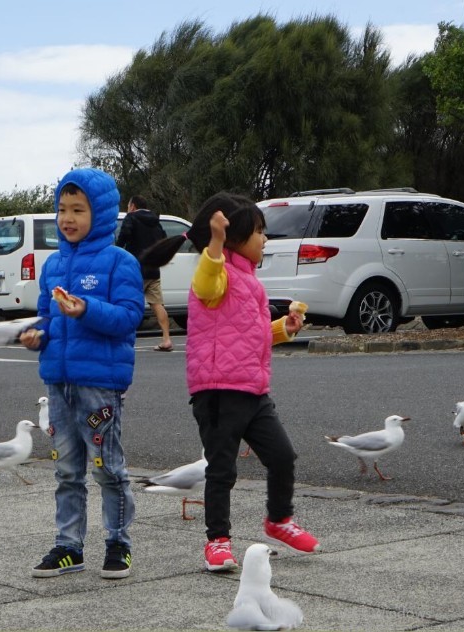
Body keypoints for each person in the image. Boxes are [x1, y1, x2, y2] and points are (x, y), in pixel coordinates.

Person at [139, 192, 318, 572]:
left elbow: (248, 336)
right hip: (218, 392)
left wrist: (282, 329)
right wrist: (216, 243)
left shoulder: (250, 283)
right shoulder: (214, 277)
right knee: (222, 470)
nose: (265, 239)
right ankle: (217, 541)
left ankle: (279, 520)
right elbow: (207, 279)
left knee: (283, 456)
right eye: (259, 232)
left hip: (253, 390)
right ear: (235, 237)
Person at [18, 168, 145, 580]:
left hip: (100, 388)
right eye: (61, 209)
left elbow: (129, 317)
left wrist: (86, 309)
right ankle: (68, 546)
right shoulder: (53, 264)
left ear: (102, 213)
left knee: (107, 467)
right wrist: (38, 335)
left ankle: (119, 543)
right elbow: (46, 318)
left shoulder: (118, 262)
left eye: (78, 209)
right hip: (58, 384)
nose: (67, 218)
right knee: (66, 470)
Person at [116, 195, 174, 351]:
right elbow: (164, 239)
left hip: (135, 269)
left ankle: (125, 340)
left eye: (128, 206)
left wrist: (117, 250)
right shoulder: (155, 221)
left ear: (133, 206)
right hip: (153, 269)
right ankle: (167, 339)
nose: (128, 209)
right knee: (157, 304)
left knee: (130, 303)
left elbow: (124, 236)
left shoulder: (131, 218)